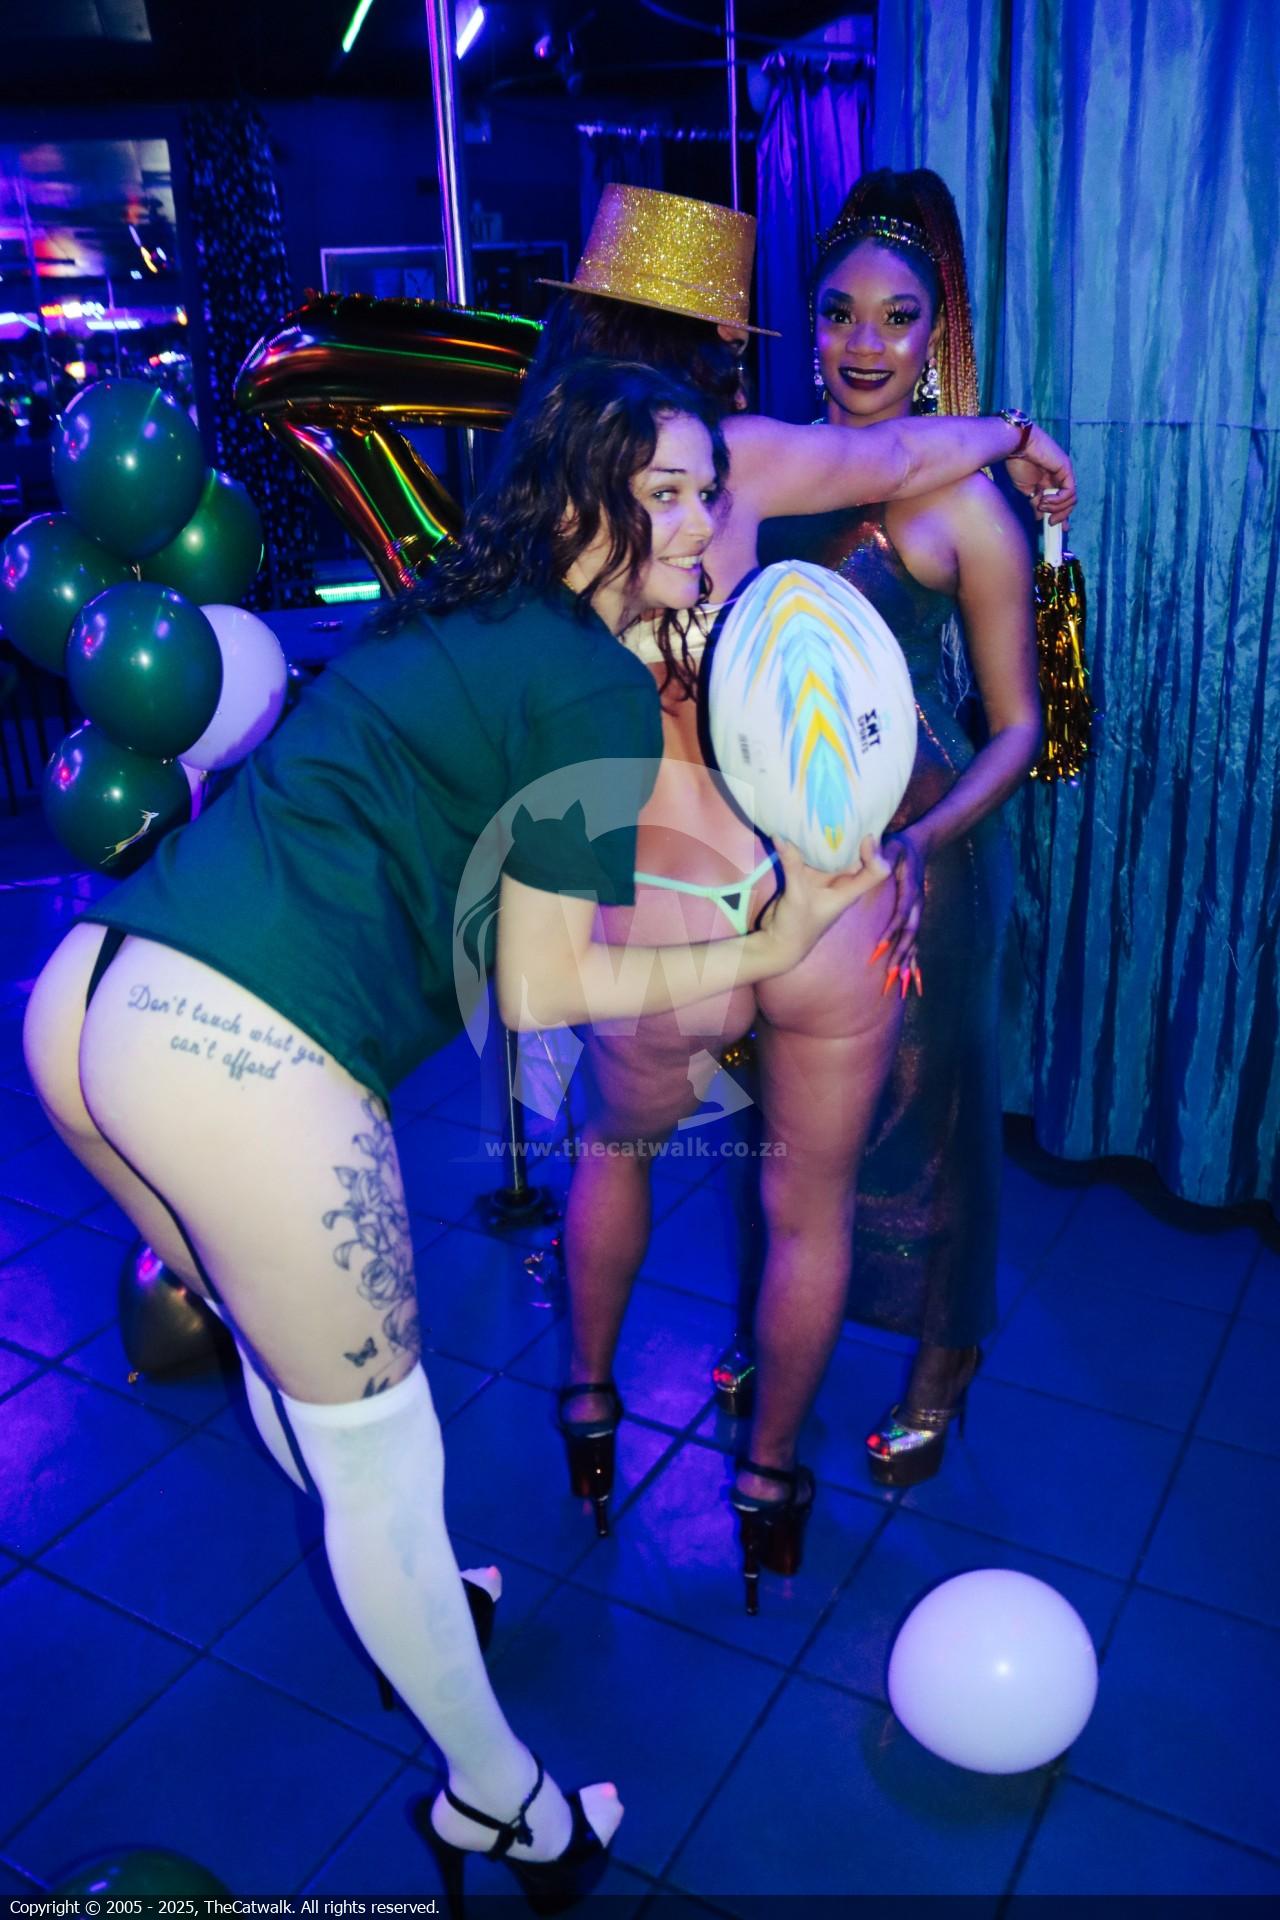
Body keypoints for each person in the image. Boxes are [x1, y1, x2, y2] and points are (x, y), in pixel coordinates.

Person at [22, 359, 886, 1900]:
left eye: (707, 490)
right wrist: (771, 937)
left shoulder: (458, 607)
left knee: (286, 1364)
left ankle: (429, 1602)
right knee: (384, 1467)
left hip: (95, 999)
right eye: (669, 493)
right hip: (244, 1045)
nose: (705, 520)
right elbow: (546, 987)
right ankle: (506, 1806)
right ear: (579, 502)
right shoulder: (591, 682)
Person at [527, 188, 1073, 1589]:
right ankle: (770, 1483)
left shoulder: (541, 510)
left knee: (613, 1156)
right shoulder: (743, 460)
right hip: (825, 891)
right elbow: (904, 450)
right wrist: (1018, 431)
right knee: (808, 1210)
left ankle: (589, 1410)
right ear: (726, 337)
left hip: (668, 894)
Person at [756, 168, 1041, 1498]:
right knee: (790, 1113)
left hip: (929, 855)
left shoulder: (969, 504)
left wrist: (927, 845)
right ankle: (791, 1331)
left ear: (937, 335)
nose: (864, 344)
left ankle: (945, 1355)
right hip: (797, 850)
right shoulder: (771, 467)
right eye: (838, 314)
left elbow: (1021, 728)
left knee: (928, 1117)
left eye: (897, 317)